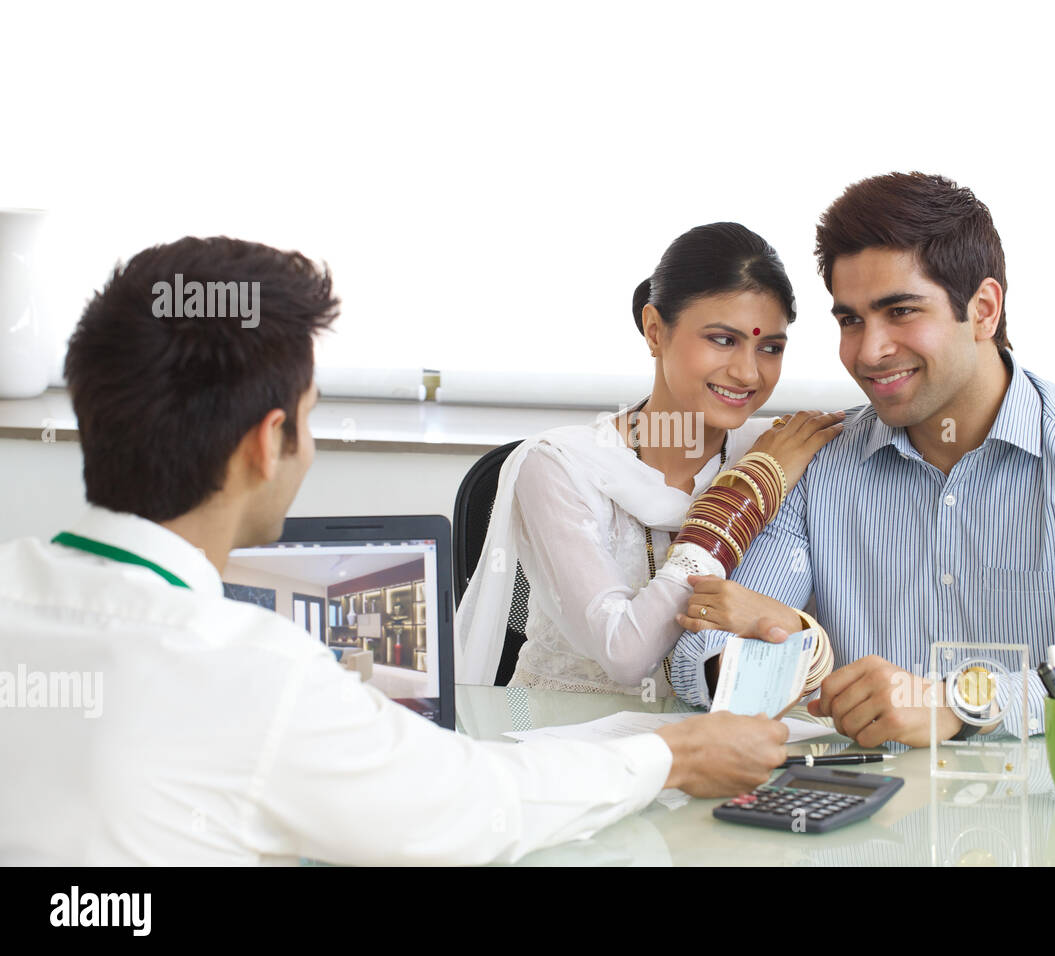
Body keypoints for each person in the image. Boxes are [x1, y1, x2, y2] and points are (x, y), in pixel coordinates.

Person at [0, 237, 790, 866]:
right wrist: (669, 756)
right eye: (310, 416)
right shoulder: (259, 674)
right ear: (266, 444)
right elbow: (471, 809)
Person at [670, 173, 1055, 745]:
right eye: (850, 320)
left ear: (984, 309)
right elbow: (698, 654)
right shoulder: (821, 461)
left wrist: (962, 702)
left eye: (900, 311)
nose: (868, 352)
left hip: (1043, 816)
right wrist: (784, 648)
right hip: (864, 816)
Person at [456, 222, 843, 695]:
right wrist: (738, 501)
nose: (747, 372)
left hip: (714, 743)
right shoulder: (562, 467)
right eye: (723, 339)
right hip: (558, 742)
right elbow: (625, 653)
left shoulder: (783, 450)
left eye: (770, 348)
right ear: (655, 330)